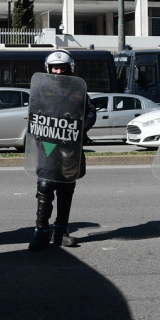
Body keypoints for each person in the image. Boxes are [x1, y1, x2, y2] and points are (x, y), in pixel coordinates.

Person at [27, 50, 96, 251]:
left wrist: (81, 129)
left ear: (69, 68)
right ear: (48, 68)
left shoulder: (78, 89)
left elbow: (90, 112)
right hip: (47, 146)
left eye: (62, 67)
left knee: (66, 188)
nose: (58, 71)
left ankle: (61, 231)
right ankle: (41, 232)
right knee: (46, 187)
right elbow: (33, 113)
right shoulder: (40, 89)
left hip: (70, 146)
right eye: (55, 67)